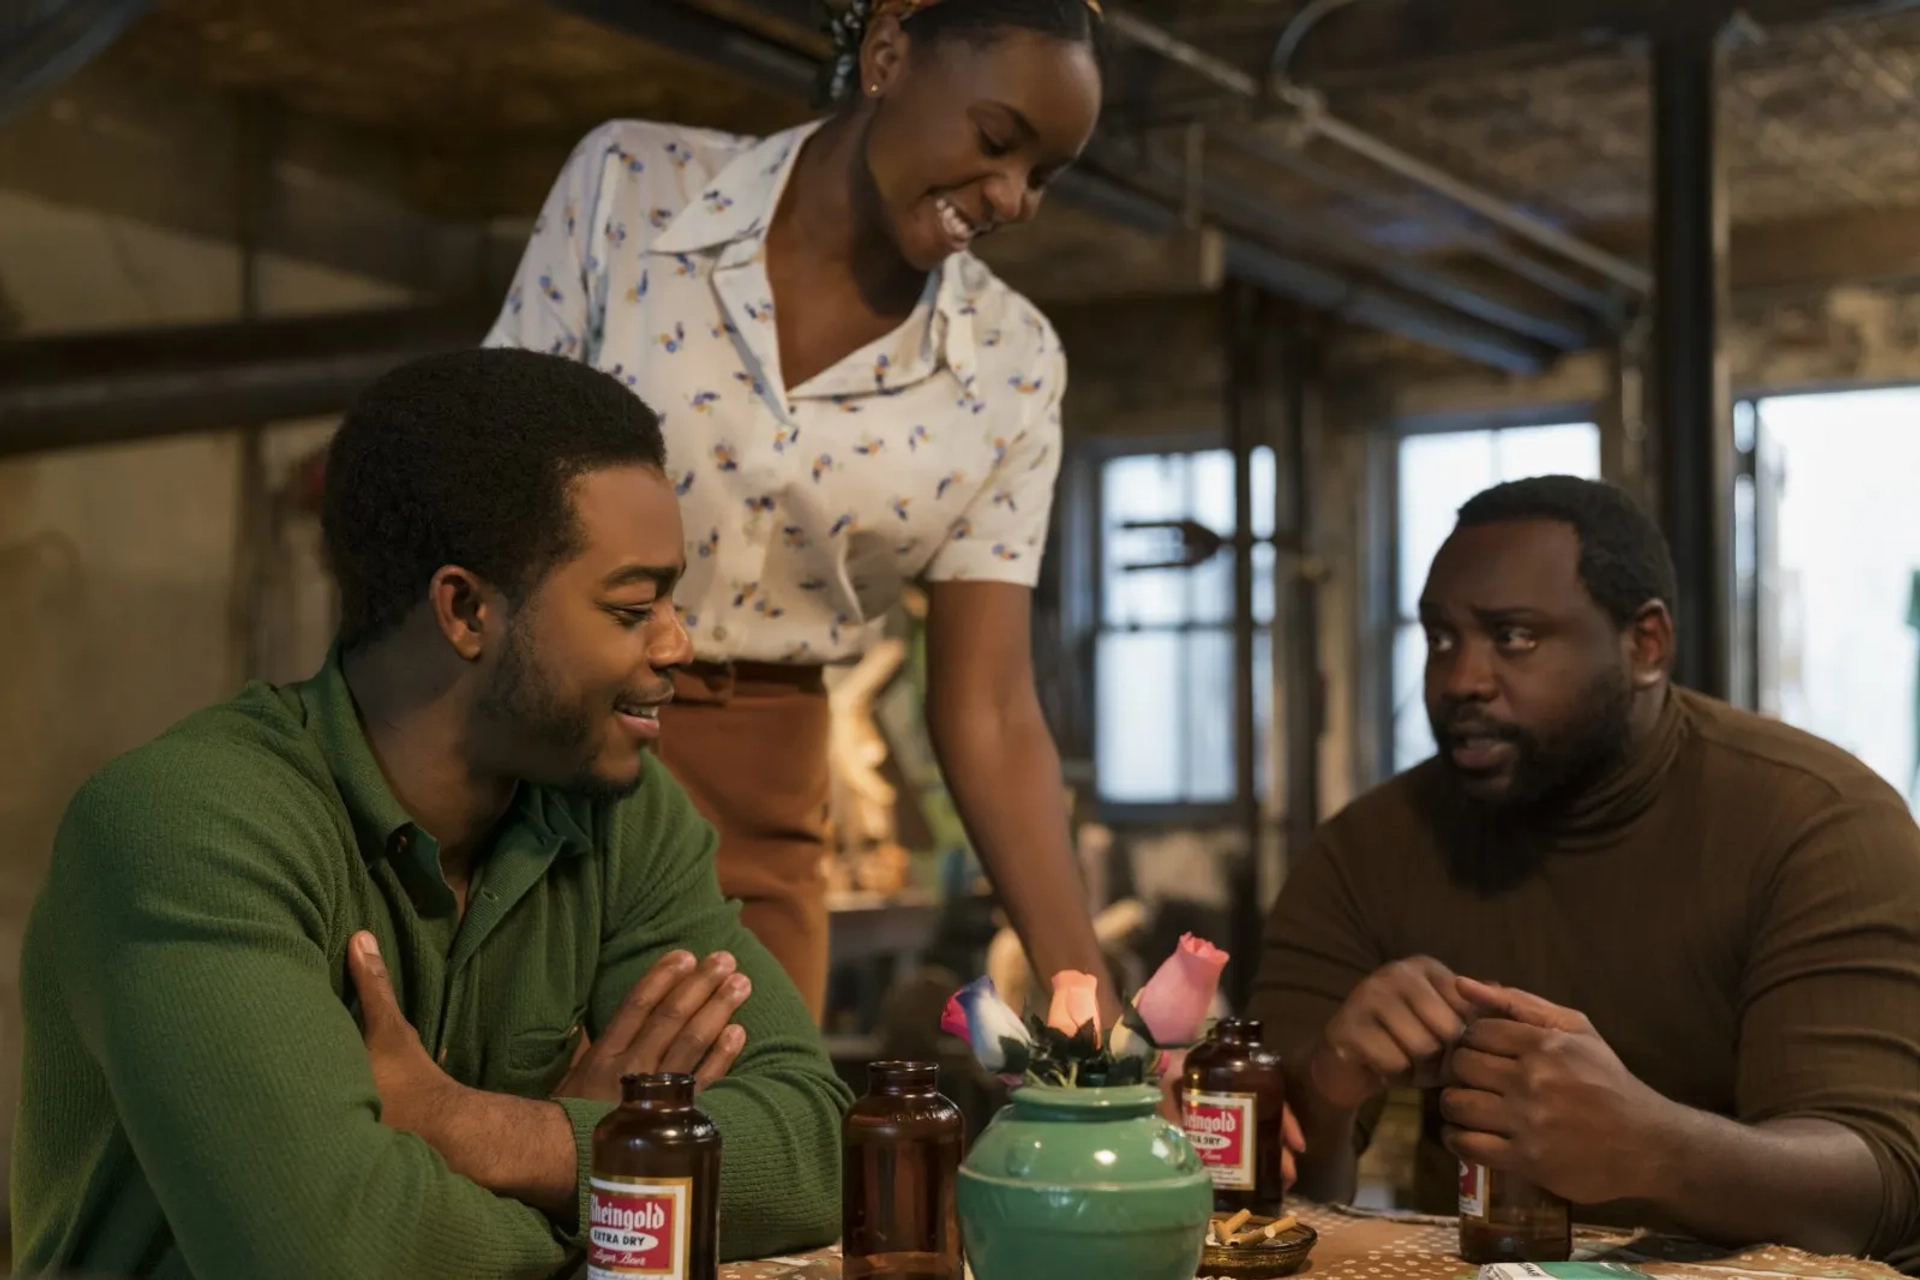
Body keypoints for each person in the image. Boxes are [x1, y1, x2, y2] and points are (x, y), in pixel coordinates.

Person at [11, 349, 849, 1280]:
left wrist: (487, 1131)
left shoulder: (621, 813)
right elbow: (333, 1256)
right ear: (464, 610)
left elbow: (821, 1151)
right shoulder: (189, 828)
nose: (677, 645)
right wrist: (620, 1173)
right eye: (631, 606)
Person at [485, 0, 1113, 1021]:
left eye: (1044, 176)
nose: (1012, 197)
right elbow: (480, 487)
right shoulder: (633, 190)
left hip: (763, 796)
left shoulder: (1011, 363)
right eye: (997, 141)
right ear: (887, 55)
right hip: (541, 752)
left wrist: (1092, 997)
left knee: (746, 1151)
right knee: (511, 1123)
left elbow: (992, 707)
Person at [1250, 476, 1920, 1268]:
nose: (1461, 678)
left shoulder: (1819, 823)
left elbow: (1884, 1185)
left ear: (1645, 646)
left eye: (1515, 637)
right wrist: (1328, 1092)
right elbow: (1271, 1201)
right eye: (1439, 638)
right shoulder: (1364, 851)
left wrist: (1653, 1147)